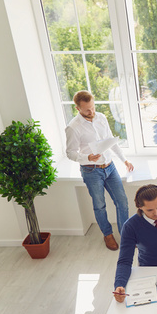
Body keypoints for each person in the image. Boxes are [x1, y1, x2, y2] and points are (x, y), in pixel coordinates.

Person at [65, 90, 134, 251]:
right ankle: (107, 235)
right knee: (99, 205)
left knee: (122, 201)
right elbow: (70, 153)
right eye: (87, 109)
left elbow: (111, 141)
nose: (92, 112)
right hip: (91, 171)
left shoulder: (101, 118)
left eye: (93, 107)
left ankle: (126, 235)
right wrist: (87, 157)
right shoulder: (73, 128)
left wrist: (124, 159)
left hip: (110, 167)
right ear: (78, 108)